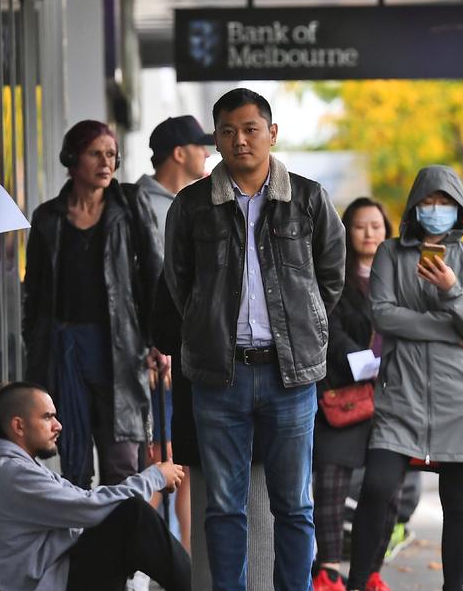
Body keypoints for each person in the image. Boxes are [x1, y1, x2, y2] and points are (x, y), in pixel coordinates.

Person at [164, 87, 346, 591]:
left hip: (290, 375)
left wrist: (298, 328)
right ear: (216, 140)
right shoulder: (191, 205)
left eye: (250, 129)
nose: (240, 140)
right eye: (227, 131)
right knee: (223, 506)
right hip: (218, 376)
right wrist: (209, 326)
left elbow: (329, 279)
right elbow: (180, 284)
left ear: (272, 133)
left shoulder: (308, 198)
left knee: (295, 505)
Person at [347, 165, 463, 591]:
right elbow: (383, 315)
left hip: (459, 399)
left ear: (459, 209)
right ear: (414, 206)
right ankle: (357, 583)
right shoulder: (391, 254)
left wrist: (451, 289)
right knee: (376, 488)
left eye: (445, 203)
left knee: (458, 504)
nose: (436, 210)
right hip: (401, 394)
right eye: (428, 202)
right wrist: (447, 327)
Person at [22, 119, 163, 488]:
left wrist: (159, 341)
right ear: (72, 159)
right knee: (74, 464)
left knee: (123, 462)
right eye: (95, 154)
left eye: (111, 155)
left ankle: (124, 544)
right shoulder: (47, 218)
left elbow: (155, 275)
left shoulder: (131, 206)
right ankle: (84, 545)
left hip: (120, 348)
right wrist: (35, 346)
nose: (105, 163)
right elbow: (33, 292)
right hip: (64, 349)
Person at [0, 381, 190, 591]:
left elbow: (84, 501)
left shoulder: (18, 466)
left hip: (60, 576)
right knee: (132, 516)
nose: (58, 425)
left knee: (125, 516)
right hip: (55, 583)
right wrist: (155, 477)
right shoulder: (14, 473)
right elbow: (90, 507)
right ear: (19, 426)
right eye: (47, 417)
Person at [137, 114, 213, 550]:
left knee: (183, 463)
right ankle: (144, 568)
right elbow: (146, 284)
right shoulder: (141, 206)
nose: (207, 155)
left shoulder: (198, 202)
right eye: (201, 147)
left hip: (187, 355)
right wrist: (154, 343)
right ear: (179, 153)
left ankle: (184, 568)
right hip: (153, 357)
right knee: (155, 458)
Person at [313, 197, 396, 591]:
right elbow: (325, 327)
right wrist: (364, 360)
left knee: (385, 488)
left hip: (390, 398)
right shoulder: (332, 276)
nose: (369, 233)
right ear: (347, 231)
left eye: (376, 226)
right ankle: (328, 571)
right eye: (361, 226)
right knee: (330, 484)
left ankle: (371, 572)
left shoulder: (402, 277)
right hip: (341, 394)